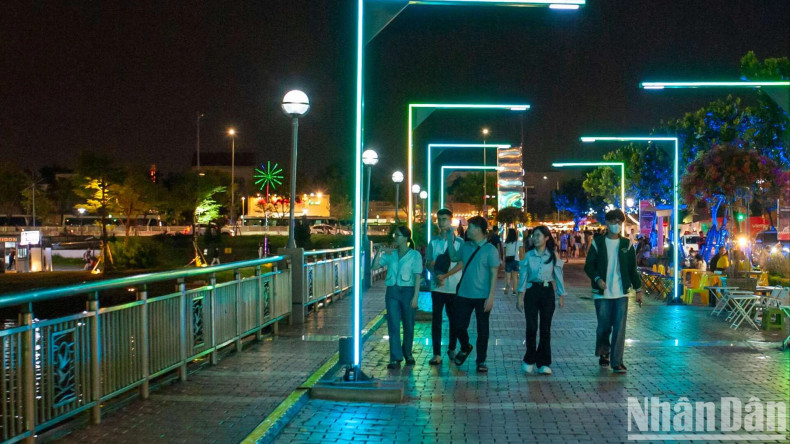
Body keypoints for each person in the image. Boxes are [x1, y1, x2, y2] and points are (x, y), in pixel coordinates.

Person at [584, 209, 643, 374]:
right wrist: (597, 279)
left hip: (621, 293)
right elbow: (589, 265)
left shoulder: (627, 244)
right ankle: (604, 353)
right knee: (603, 326)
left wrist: (638, 289)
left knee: (619, 328)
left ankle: (617, 361)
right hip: (602, 293)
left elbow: (632, 269)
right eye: (613, 221)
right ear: (607, 223)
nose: (616, 225)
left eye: (619, 222)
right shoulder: (598, 243)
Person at [446, 215, 500, 373]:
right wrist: (450, 239)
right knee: (458, 325)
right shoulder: (466, 246)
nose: (468, 230)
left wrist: (491, 296)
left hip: (482, 296)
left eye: (470, 227)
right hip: (464, 294)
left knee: (483, 329)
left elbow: (494, 274)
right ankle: (465, 346)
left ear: (479, 229)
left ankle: (481, 360)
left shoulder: (490, 250)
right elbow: (454, 257)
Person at [517, 225, 566, 375]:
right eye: (533, 235)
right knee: (531, 327)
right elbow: (523, 277)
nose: (535, 238)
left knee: (545, 329)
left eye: (538, 235)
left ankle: (544, 362)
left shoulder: (553, 255)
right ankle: (529, 359)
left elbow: (558, 275)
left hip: (547, 292)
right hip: (532, 292)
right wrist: (520, 296)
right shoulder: (528, 255)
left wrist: (561, 294)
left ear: (546, 238)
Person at [372, 226, 423, 369]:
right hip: (392, 291)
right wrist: (380, 251)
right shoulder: (391, 255)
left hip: (408, 291)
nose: (395, 237)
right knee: (393, 325)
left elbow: (417, 276)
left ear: (406, 238)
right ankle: (395, 357)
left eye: (398, 235)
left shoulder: (415, 255)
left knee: (408, 324)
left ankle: (408, 353)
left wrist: (415, 297)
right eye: (394, 235)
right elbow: (374, 267)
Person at [425, 209, 463, 365]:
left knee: (454, 319)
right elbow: (428, 262)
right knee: (437, 320)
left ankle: (452, 348)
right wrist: (435, 274)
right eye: (439, 219)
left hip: (453, 287)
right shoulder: (433, 242)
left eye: (445, 219)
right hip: (437, 287)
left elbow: (461, 263)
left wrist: (445, 276)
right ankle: (436, 354)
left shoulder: (459, 242)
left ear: (451, 220)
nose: (442, 222)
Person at [503, 228, 523, 297]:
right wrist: (522, 261)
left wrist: (503, 260)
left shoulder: (506, 242)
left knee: (508, 276)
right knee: (515, 277)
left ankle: (508, 285)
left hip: (508, 260)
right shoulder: (518, 242)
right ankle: (514, 291)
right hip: (516, 260)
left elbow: (504, 253)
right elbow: (520, 253)